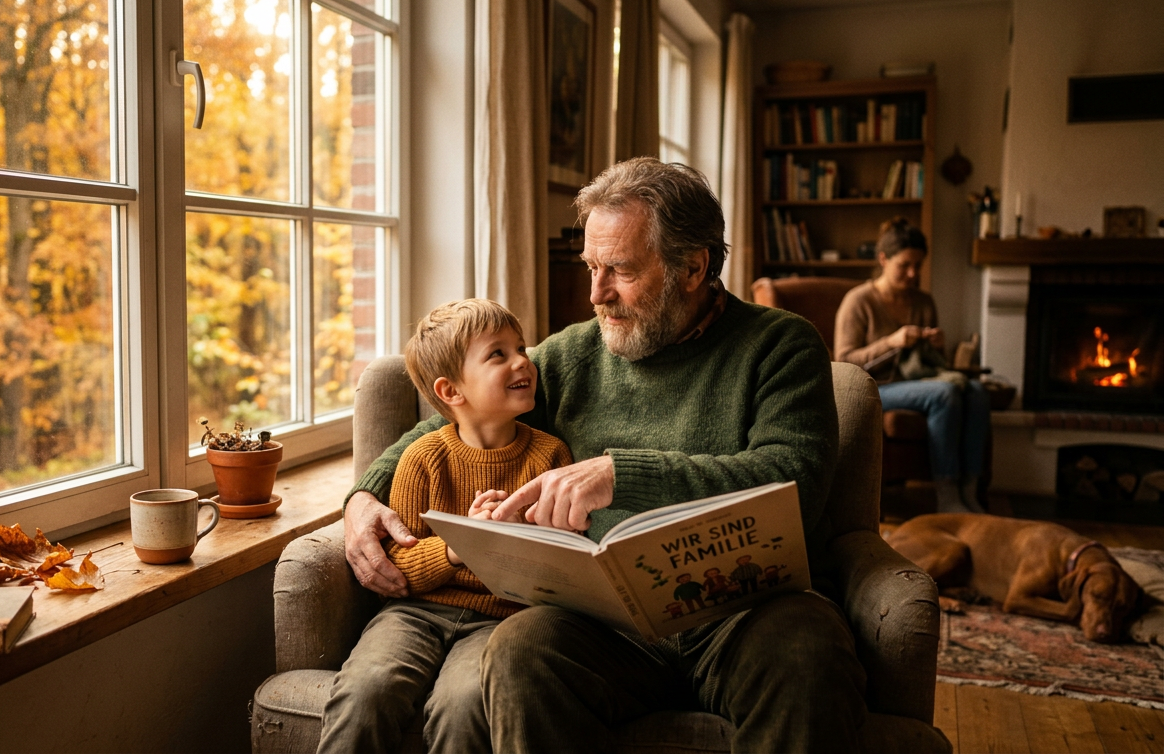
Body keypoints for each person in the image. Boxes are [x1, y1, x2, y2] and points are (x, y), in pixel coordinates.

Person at [344, 157, 870, 753]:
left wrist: (623, 474)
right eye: (592, 267)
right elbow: (453, 419)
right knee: (521, 647)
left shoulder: (781, 346)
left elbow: (793, 481)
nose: (596, 294)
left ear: (693, 267)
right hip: (607, 624)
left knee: (807, 652)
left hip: (747, 614)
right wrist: (364, 494)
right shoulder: (573, 356)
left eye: (619, 270)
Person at [317, 299, 572, 754]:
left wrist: (522, 530)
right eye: (498, 354)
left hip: (502, 621)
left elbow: (560, 566)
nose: (523, 362)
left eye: (520, 348)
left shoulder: (550, 456)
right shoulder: (421, 459)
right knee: (366, 690)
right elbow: (396, 571)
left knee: (465, 704)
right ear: (451, 391)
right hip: (414, 614)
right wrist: (461, 543)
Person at [833, 217, 991, 514]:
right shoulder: (858, 301)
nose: (913, 273)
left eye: (918, 266)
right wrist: (891, 342)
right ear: (883, 259)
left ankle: (969, 491)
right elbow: (843, 362)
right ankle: (947, 495)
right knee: (945, 394)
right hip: (877, 387)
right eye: (904, 265)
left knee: (977, 392)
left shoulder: (923, 301)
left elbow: (932, 365)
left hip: (918, 381)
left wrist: (937, 345)